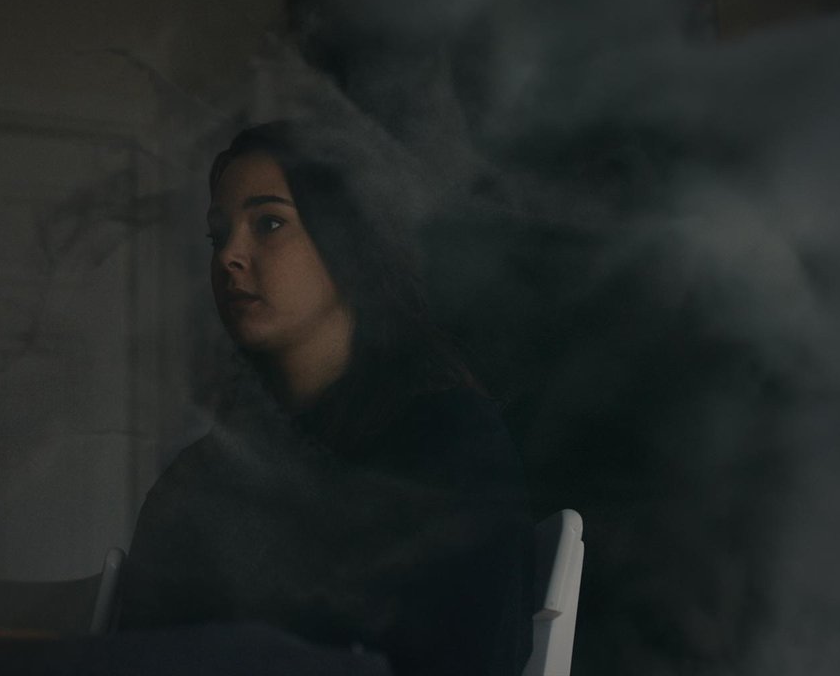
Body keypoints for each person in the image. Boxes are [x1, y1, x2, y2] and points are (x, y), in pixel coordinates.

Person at [118, 120, 534, 676]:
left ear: (347, 243)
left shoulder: (448, 442)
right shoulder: (200, 477)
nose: (229, 256)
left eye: (269, 223)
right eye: (218, 235)